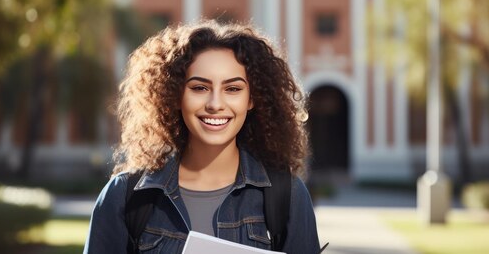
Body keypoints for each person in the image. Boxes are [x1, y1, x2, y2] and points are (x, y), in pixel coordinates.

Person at [84, 20, 320, 254]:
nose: (215, 104)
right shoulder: (125, 196)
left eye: (233, 89)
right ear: (175, 95)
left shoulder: (286, 194)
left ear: (252, 99)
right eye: (199, 88)